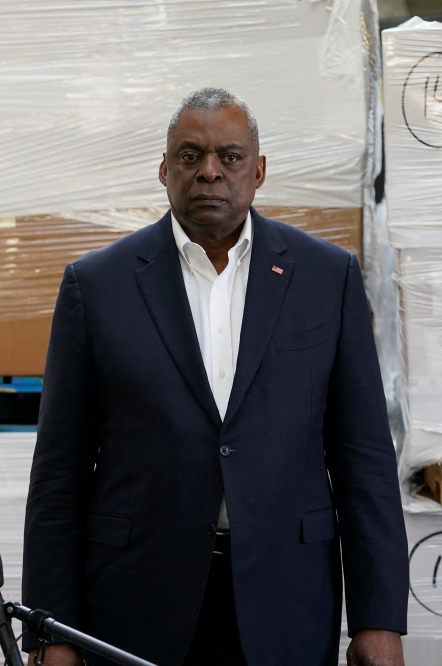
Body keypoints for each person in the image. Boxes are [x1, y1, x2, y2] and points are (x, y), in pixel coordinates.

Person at [21, 88, 408, 666]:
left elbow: (364, 460)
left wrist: (378, 620)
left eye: (229, 157)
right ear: (163, 169)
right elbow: (60, 472)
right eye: (189, 156)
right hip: (137, 604)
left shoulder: (327, 278)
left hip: (288, 600)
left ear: (258, 171)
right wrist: (52, 630)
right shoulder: (96, 286)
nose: (208, 172)